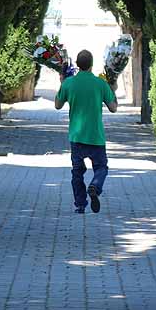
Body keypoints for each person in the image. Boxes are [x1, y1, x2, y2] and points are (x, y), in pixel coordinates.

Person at [55, 49, 118, 213]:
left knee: (77, 172)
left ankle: (81, 205)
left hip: (76, 136)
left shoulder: (69, 83)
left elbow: (57, 105)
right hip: (96, 136)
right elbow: (113, 108)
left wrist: (62, 82)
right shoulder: (100, 83)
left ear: (77, 64)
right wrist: (113, 89)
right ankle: (95, 186)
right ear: (91, 65)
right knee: (101, 167)